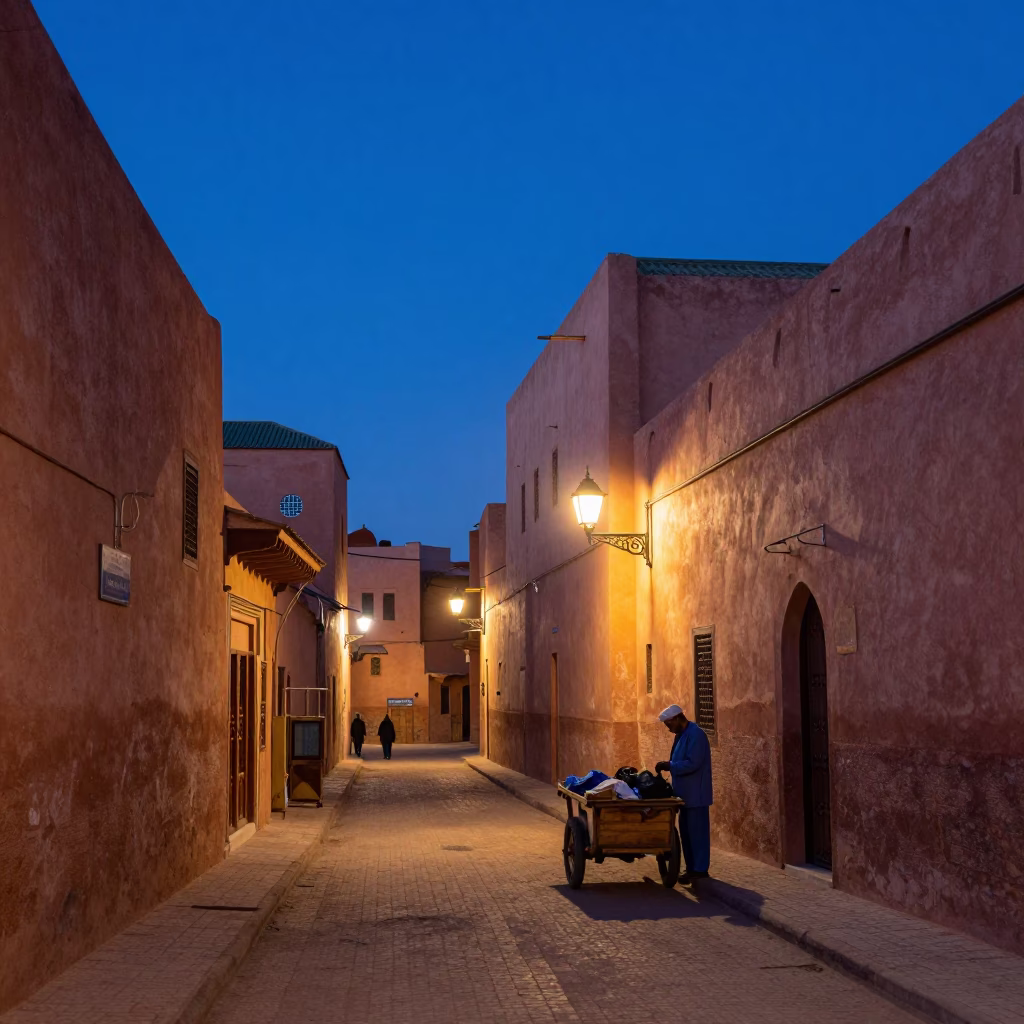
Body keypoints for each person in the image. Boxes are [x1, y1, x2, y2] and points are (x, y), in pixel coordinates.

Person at [655, 703, 713, 882]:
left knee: (697, 834)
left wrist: (670, 765)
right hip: (683, 795)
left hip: (696, 794)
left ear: (678, 718)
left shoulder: (696, 735)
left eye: (669, 725)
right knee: (687, 834)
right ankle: (691, 868)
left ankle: (700, 869)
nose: (669, 729)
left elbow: (693, 763)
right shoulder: (681, 735)